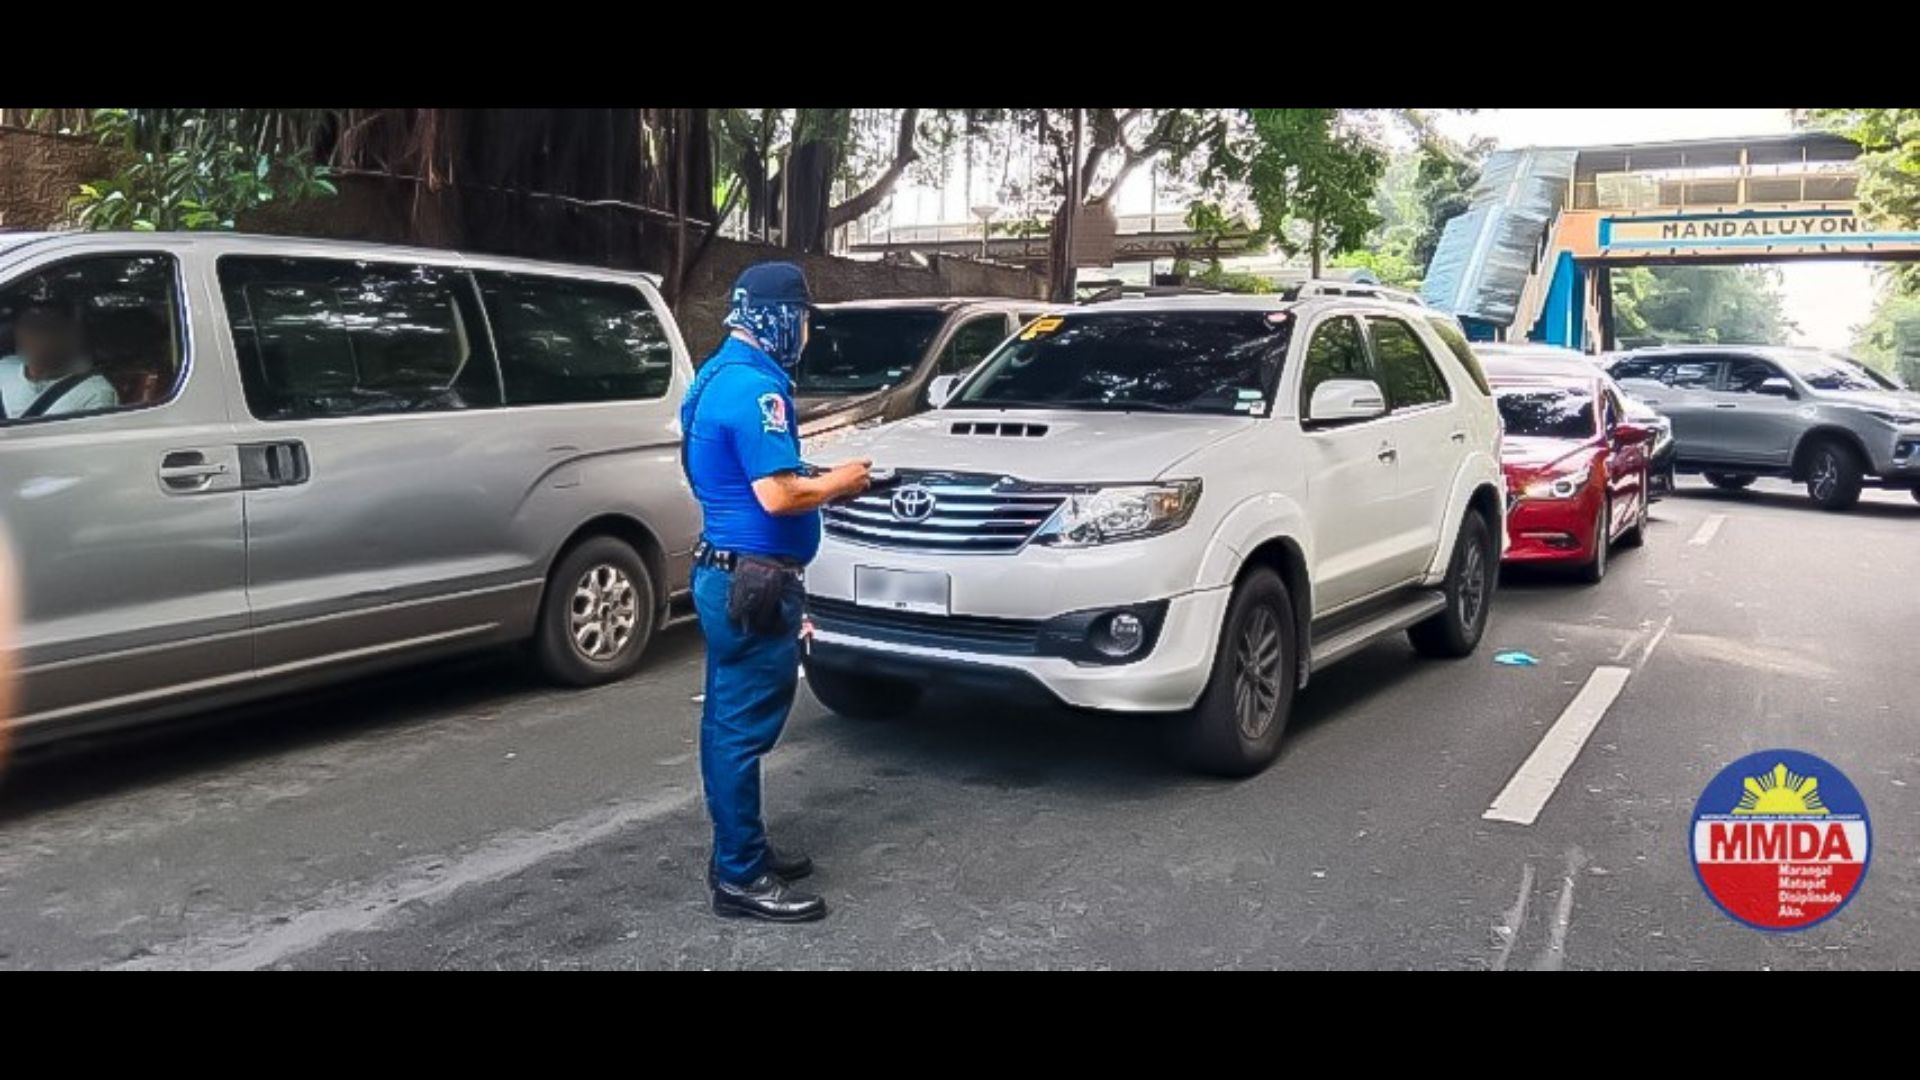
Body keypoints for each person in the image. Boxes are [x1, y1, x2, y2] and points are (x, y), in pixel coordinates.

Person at [682, 262, 870, 923]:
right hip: (755, 582)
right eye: (806, 319)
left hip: (726, 571)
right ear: (781, 318)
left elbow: (740, 472)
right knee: (739, 732)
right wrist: (839, 482)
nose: (808, 333)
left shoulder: (714, 375)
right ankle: (739, 878)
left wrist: (808, 473)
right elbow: (776, 493)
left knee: (726, 723)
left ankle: (743, 849)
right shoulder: (758, 390)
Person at [0, 299, 118, 422]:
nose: (34, 335)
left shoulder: (96, 393)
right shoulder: (4, 367)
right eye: (28, 325)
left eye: (46, 327)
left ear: (70, 335)